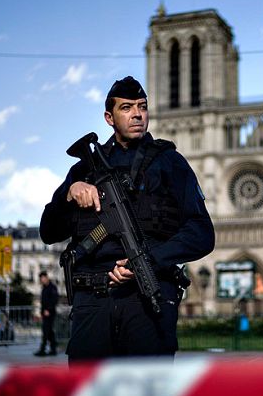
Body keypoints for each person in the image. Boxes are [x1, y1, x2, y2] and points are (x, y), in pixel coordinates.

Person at [40, 76, 214, 362]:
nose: (137, 114)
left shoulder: (170, 162)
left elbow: (202, 233)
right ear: (109, 117)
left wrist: (148, 260)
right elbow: (48, 230)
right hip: (93, 303)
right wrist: (70, 193)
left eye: (142, 107)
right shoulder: (85, 168)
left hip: (147, 301)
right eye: (127, 108)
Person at [34, 270, 59, 356]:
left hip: (50, 313)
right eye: (41, 279)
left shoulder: (52, 287)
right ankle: (53, 349)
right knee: (49, 331)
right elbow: (43, 301)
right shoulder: (44, 288)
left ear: (46, 277)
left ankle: (42, 350)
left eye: (43, 278)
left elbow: (54, 300)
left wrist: (48, 309)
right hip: (45, 313)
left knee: (45, 331)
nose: (42, 280)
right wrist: (42, 312)